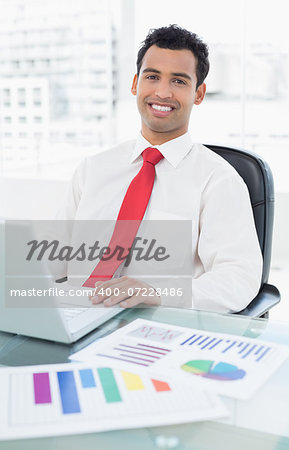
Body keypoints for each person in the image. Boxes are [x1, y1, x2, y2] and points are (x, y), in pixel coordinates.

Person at [55, 24, 262, 313]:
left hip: (160, 326)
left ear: (199, 93)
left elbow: (239, 279)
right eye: (152, 77)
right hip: (74, 317)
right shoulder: (93, 169)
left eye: (178, 81)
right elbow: (54, 257)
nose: (162, 92)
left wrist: (158, 293)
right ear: (135, 84)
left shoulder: (219, 180)